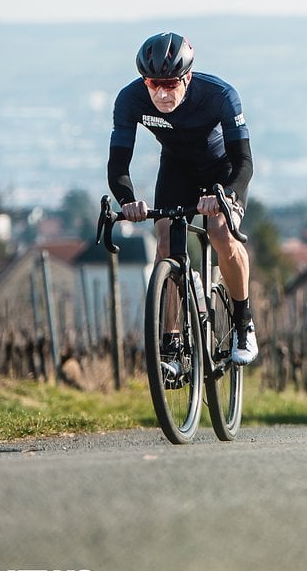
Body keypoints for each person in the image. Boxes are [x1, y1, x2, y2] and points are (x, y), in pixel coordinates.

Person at [107, 32, 257, 364]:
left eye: (170, 83)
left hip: (223, 169)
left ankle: (243, 322)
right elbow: (118, 163)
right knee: (165, 242)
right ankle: (172, 341)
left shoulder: (220, 95)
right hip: (177, 169)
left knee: (220, 232)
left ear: (186, 77)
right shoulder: (130, 99)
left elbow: (244, 162)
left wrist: (227, 196)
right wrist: (128, 200)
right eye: (152, 83)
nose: (161, 92)